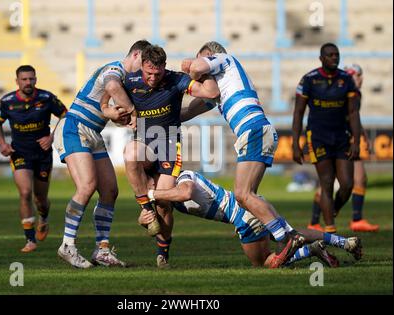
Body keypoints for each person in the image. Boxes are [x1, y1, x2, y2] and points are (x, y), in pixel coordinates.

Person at [182, 41, 305, 268]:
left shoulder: (225, 60)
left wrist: (186, 68)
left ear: (210, 55)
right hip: (254, 130)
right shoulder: (222, 86)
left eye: (203, 57)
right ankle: (300, 241)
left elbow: (196, 68)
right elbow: (190, 111)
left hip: (253, 129)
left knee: (243, 194)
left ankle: (287, 239)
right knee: (248, 196)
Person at [53, 40, 152, 269]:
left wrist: (121, 118)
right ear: (135, 54)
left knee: (110, 190)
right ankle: (67, 245)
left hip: (93, 133)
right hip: (74, 127)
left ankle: (102, 250)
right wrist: (134, 113)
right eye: (144, 62)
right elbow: (112, 88)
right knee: (87, 186)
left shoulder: (128, 82)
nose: (145, 70)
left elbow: (109, 110)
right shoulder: (114, 69)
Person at [138, 170, 362, 268]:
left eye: (151, 183)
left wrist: (151, 194)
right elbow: (156, 218)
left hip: (243, 216)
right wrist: (143, 219)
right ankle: (344, 242)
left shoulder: (183, 178)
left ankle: (310, 251)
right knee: (291, 232)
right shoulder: (165, 195)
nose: (150, 188)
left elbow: (185, 193)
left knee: (264, 262)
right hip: (252, 204)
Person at [122, 44, 220, 267]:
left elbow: (212, 93)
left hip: (167, 144)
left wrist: (207, 69)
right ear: (142, 66)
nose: (153, 78)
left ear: (164, 68)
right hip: (144, 142)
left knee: (164, 204)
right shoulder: (130, 81)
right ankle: (145, 209)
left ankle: (163, 253)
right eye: (149, 73)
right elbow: (106, 105)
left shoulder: (177, 80)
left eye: (157, 73)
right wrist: (120, 115)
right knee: (130, 152)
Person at [0, 65, 67, 253]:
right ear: (17, 81)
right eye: (24, 79)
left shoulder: (46, 98)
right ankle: (30, 240)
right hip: (19, 153)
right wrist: (2, 143)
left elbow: (66, 116)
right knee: (25, 192)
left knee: (40, 199)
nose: (28, 82)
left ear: (36, 79)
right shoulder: (7, 102)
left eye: (31, 79)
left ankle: (44, 218)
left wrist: (51, 137)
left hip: (42, 154)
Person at [292, 43, 361, 234]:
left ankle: (333, 210)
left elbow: (354, 112)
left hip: (341, 137)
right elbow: (298, 112)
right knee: (327, 182)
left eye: (336, 55)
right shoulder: (309, 80)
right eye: (330, 55)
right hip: (318, 138)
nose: (334, 58)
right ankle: (330, 230)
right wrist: (295, 144)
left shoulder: (346, 79)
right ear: (321, 58)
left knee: (347, 184)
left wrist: (356, 140)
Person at [307, 64, 379, 232]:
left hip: (345, 139)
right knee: (336, 182)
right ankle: (343, 218)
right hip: (340, 141)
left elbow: (354, 116)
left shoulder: (353, 93)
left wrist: (363, 136)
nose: (360, 79)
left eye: (359, 76)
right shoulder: (346, 92)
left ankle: (321, 220)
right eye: (357, 75)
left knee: (350, 180)